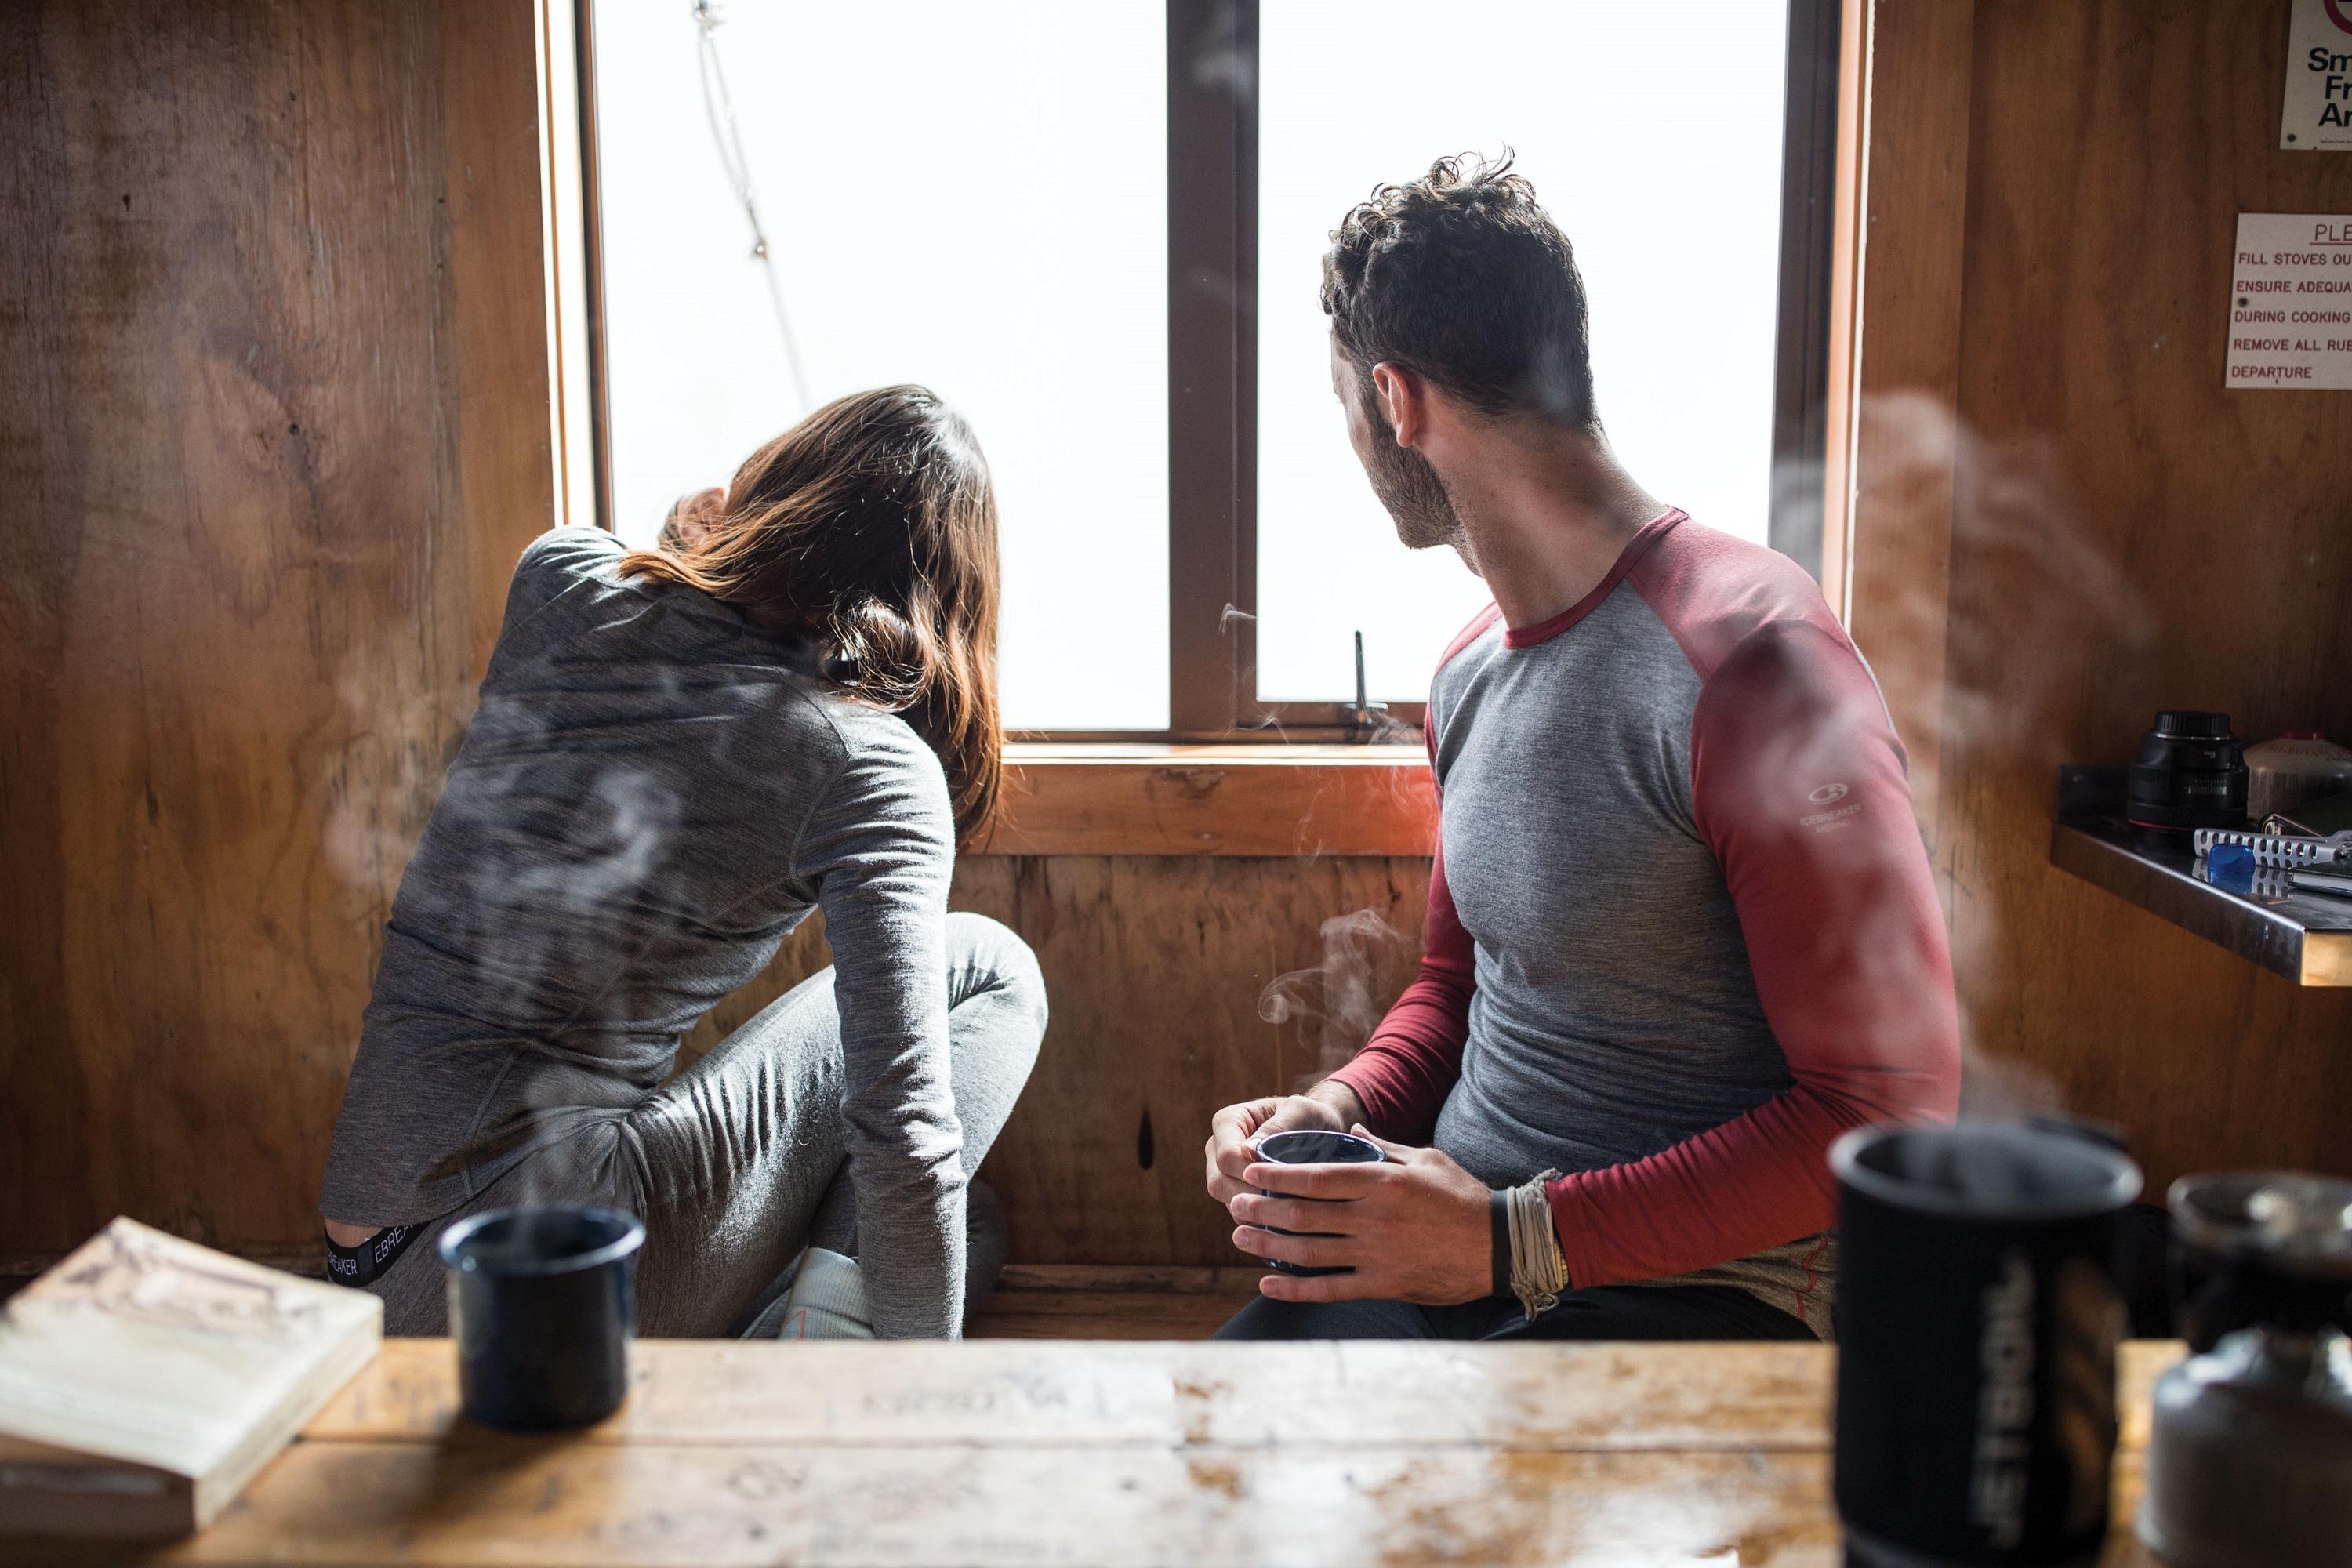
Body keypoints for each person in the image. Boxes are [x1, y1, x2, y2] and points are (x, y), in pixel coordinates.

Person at [1204, 156, 1961, 1342]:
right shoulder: (1464, 675)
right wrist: (1338, 1102)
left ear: (1396, 402)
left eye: (1349, 406)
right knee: (1206, 1474)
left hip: (1710, 1295)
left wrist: (1510, 1240)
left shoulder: (1754, 657)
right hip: (1464, 1260)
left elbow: (1889, 1110)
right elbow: (1459, 991)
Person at [320, 385, 1047, 1341]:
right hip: (543, 1261)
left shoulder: (562, 575)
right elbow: (901, 1132)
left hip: (371, 1263)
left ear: (775, 487)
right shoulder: (865, 762)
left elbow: (676, 618)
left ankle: (791, 1348)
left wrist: (708, 524)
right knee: (991, 967)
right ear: (943, 602)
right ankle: (833, 1389)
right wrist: (917, 1408)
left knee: (974, 1225)